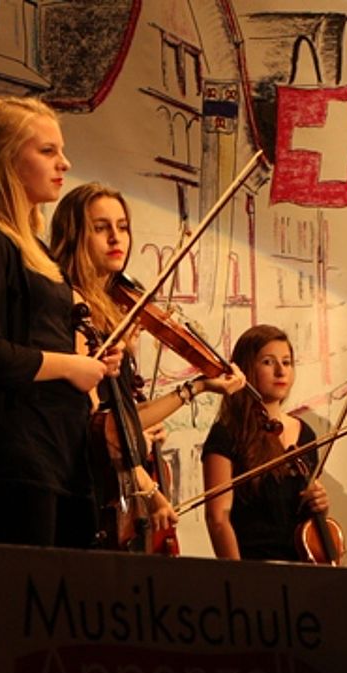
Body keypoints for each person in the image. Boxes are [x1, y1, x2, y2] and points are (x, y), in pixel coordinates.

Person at [0, 96, 147, 549]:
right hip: (15, 454)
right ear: (7, 158)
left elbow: (43, 336)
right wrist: (72, 366)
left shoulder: (34, 248)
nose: (64, 163)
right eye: (47, 151)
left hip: (61, 453)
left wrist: (93, 358)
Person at [48, 183, 245, 523]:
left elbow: (123, 418)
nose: (116, 238)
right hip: (78, 479)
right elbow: (100, 427)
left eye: (123, 227)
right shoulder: (73, 309)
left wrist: (198, 385)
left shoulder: (112, 310)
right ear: (74, 235)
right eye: (101, 228)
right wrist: (149, 488)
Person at [201, 325, 330, 560]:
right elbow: (218, 518)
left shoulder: (305, 434)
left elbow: (304, 514)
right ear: (247, 369)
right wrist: (238, 575)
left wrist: (319, 504)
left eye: (287, 362)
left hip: (302, 564)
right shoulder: (227, 432)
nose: (281, 371)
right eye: (268, 362)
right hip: (255, 567)